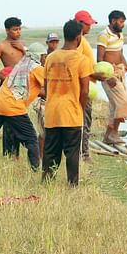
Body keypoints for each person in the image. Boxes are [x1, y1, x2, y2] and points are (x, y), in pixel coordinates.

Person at [42, 20, 93, 186]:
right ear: (79, 37)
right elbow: (85, 90)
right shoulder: (81, 59)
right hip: (71, 112)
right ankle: (72, 185)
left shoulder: (51, 57)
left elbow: (46, 85)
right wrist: (81, 106)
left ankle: (47, 182)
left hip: (52, 112)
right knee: (72, 152)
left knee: (50, 152)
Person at [96, 10, 127, 145]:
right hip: (109, 74)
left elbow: (120, 55)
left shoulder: (120, 35)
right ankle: (113, 134)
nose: (123, 24)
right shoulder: (103, 35)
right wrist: (108, 77)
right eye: (121, 21)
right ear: (113, 21)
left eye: (123, 22)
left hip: (120, 71)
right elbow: (99, 59)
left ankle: (109, 136)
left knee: (115, 106)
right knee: (123, 104)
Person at [0, 17, 28, 159]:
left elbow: (29, 62)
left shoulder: (22, 44)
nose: (18, 32)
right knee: (8, 121)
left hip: (21, 86)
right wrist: (2, 77)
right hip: (7, 86)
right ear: (7, 30)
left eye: (19, 29)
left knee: (19, 117)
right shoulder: (1, 46)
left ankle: (17, 153)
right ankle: (9, 154)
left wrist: (23, 50)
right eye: (15, 29)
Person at [74, 10, 108, 161]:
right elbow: (77, 66)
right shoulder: (78, 40)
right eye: (88, 24)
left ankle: (82, 152)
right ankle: (84, 154)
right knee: (84, 121)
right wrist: (96, 76)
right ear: (80, 24)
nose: (90, 27)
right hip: (83, 87)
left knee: (84, 120)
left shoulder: (82, 39)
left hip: (87, 86)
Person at [34, 33, 60, 158]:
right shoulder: (42, 60)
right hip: (44, 99)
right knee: (43, 131)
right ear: (47, 43)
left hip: (55, 98)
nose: (54, 44)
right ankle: (41, 156)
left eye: (56, 42)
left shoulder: (59, 57)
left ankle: (51, 155)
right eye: (52, 42)